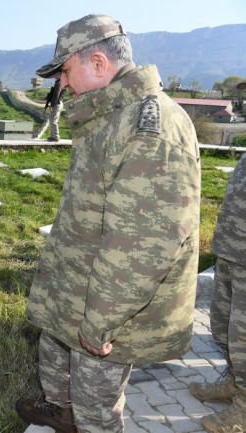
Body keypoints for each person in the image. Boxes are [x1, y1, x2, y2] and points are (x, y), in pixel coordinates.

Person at [15, 14, 201, 433]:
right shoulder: (112, 115)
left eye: (64, 72)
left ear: (98, 63)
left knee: (96, 412)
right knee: (59, 366)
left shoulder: (149, 127)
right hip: (77, 290)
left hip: (103, 308)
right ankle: (63, 414)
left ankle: (82, 420)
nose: (62, 85)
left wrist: (101, 322)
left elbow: (142, 247)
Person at [188, 152, 246, 432]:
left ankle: (243, 411)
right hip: (232, 251)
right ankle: (234, 383)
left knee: (244, 338)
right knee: (224, 330)